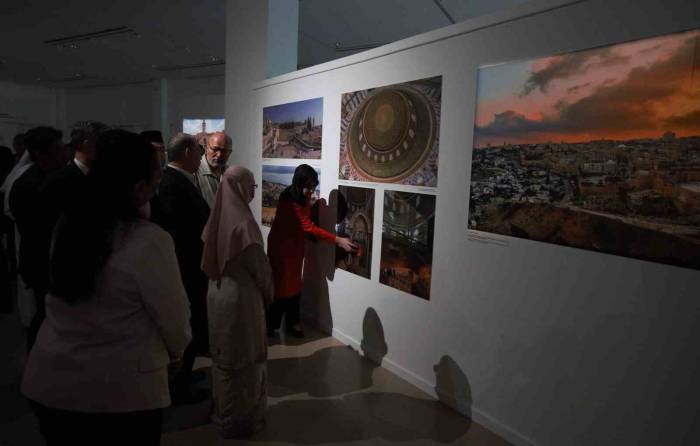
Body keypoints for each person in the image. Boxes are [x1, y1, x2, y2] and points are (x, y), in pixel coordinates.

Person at [21, 129, 191, 445]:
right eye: (155, 181)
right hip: (118, 395)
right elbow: (175, 321)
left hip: (51, 382)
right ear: (139, 188)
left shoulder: (68, 225)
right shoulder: (148, 240)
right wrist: (177, 355)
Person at [201, 166, 273, 438]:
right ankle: (241, 421)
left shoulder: (217, 218)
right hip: (241, 301)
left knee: (223, 360)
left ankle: (223, 413)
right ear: (240, 187)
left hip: (217, 294)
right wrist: (269, 293)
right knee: (245, 362)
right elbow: (260, 270)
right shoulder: (244, 224)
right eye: (252, 185)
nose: (254, 190)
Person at [152, 132, 210, 403]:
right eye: (199, 150)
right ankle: (180, 386)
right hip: (186, 268)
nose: (202, 155)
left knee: (195, 322)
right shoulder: (172, 183)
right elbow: (178, 232)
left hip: (190, 266)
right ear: (187, 152)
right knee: (189, 322)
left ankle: (186, 376)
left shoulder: (177, 180)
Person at [266, 164, 356, 338]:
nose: (311, 192)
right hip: (282, 251)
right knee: (281, 287)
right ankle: (273, 324)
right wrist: (338, 240)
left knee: (293, 286)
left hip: (294, 249)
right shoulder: (289, 201)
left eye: (313, 188)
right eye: (308, 187)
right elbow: (309, 227)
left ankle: (291, 322)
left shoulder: (300, 196)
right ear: (299, 183)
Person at [9, 126, 67, 352]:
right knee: (45, 316)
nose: (64, 154)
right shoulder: (28, 185)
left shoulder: (53, 177)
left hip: (50, 259)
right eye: (58, 149)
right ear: (41, 154)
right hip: (42, 262)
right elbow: (39, 230)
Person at [196, 132, 232, 208]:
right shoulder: (194, 172)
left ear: (230, 153)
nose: (219, 155)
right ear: (206, 148)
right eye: (215, 149)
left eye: (224, 151)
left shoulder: (232, 174)